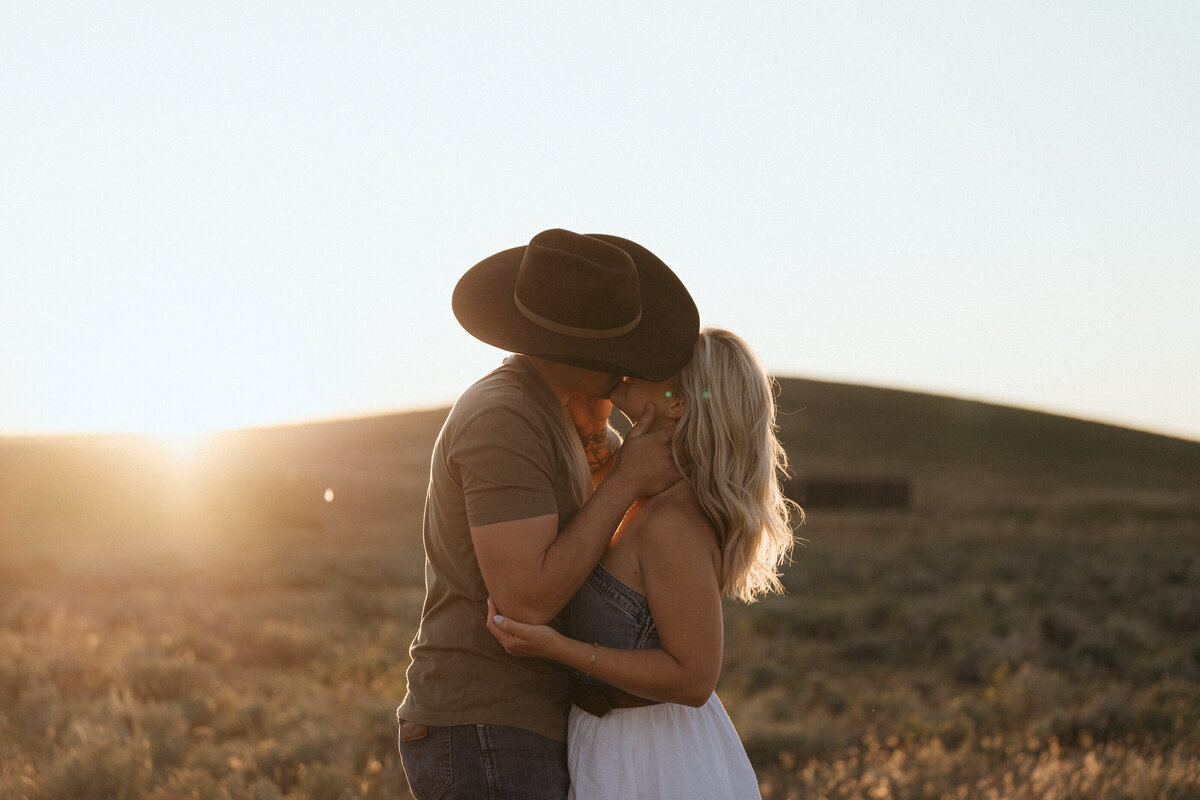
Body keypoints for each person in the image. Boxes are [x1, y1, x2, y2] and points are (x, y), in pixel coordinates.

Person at [396, 228, 700, 799]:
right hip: (485, 722)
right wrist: (627, 481)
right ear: (567, 348)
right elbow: (525, 600)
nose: (628, 367)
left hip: (521, 721)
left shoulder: (561, 415)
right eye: (615, 354)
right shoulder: (504, 417)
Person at [487, 327, 800, 800]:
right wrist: (595, 428)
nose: (629, 362)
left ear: (679, 401)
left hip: (653, 757)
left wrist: (557, 649)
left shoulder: (673, 520)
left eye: (652, 362)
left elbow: (694, 678)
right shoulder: (647, 491)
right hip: (615, 740)